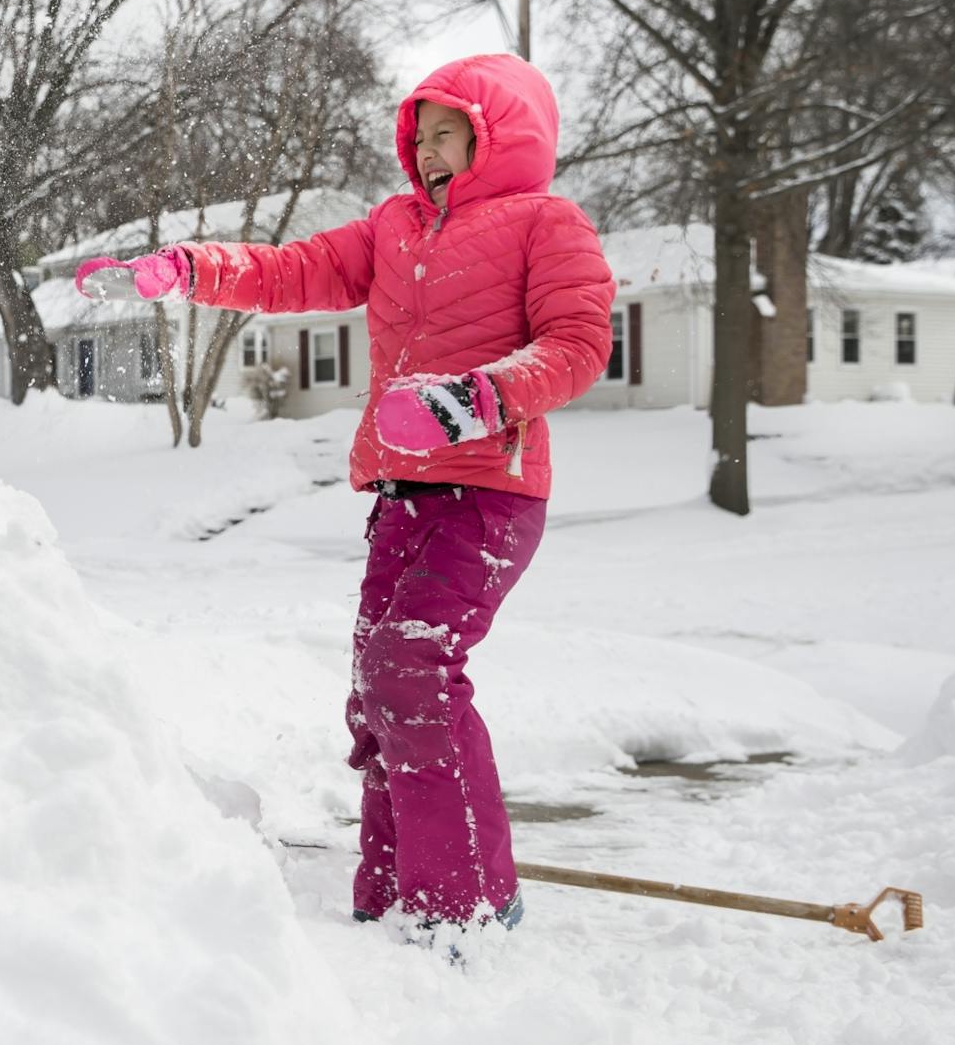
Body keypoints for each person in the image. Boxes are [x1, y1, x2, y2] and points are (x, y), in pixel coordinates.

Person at [75, 54, 615, 935]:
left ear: (499, 135)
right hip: (402, 493)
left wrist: (470, 399)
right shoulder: (394, 228)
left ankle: (470, 905)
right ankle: (394, 893)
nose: (430, 150)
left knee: (415, 669)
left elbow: (579, 343)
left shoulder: (544, 223)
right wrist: (189, 270)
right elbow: (293, 271)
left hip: (488, 491)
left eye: (450, 133)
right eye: (421, 133)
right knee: (377, 688)